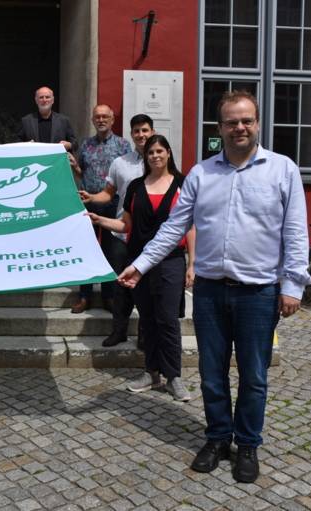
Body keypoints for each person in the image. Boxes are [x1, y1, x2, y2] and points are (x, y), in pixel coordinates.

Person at [117, 91, 310, 483]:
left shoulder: (282, 170)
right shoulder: (203, 174)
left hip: (258, 292)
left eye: (247, 121)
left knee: (254, 374)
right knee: (210, 372)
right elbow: (173, 226)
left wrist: (293, 285)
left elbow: (295, 232)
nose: (240, 128)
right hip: (208, 290)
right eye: (231, 122)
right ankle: (219, 437)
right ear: (219, 128)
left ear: (257, 123)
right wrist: (139, 264)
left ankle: (248, 445)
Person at [88, 134, 195, 401]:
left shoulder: (183, 184)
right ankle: (151, 372)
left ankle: (174, 377)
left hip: (170, 261)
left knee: (168, 319)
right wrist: (98, 219)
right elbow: (126, 226)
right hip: (138, 262)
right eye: (150, 152)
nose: (155, 156)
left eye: (160, 151)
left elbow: (190, 227)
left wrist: (192, 263)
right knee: (147, 320)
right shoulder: (136, 186)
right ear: (145, 157)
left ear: (169, 153)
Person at [80, 114, 155, 346]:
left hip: (151, 237)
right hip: (122, 233)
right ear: (131, 135)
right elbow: (108, 194)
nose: (141, 135)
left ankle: (145, 334)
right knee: (120, 287)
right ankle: (118, 331)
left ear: (151, 132)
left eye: (145, 130)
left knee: (147, 289)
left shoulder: (160, 160)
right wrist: (92, 197)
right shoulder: (120, 163)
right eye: (137, 131)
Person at [71, 104, 131, 313]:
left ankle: (109, 296)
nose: (101, 120)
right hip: (88, 202)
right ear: (92, 120)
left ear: (112, 120)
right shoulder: (86, 145)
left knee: (111, 252)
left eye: (105, 116)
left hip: (113, 203)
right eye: (97, 117)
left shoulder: (123, 146)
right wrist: (74, 166)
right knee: (86, 249)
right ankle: (84, 296)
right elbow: (81, 173)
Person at [18, 86, 77, 152]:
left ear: (52, 100)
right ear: (36, 100)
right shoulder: (26, 121)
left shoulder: (64, 121)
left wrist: (69, 145)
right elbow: (17, 143)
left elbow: (75, 144)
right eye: (41, 97)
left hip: (56, 160)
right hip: (34, 160)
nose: (44, 100)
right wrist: (26, 145)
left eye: (47, 97)